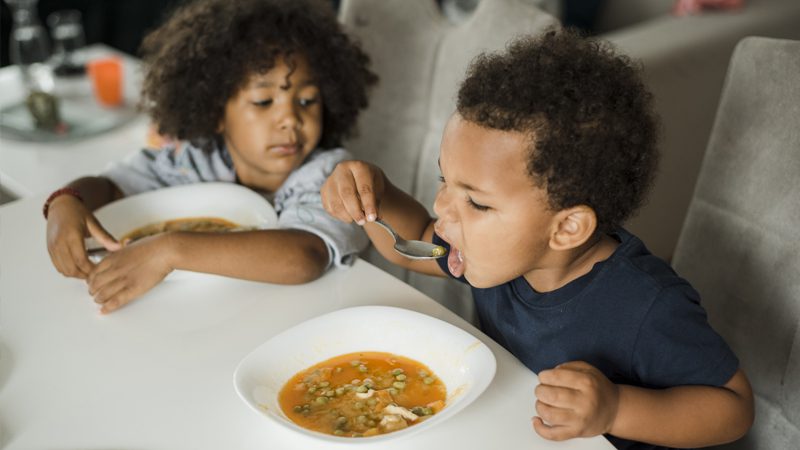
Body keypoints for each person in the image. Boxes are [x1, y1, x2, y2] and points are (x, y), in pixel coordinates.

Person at [321, 28, 753, 449]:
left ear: (566, 228)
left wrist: (617, 408)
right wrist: (373, 193)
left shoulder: (646, 305)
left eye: (477, 202)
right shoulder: (497, 254)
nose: (441, 209)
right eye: (444, 179)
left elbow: (732, 408)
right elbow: (413, 238)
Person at [44, 0, 377, 314]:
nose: (290, 119)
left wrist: (169, 250)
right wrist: (66, 202)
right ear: (216, 111)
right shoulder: (196, 160)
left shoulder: (331, 176)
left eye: (306, 101)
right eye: (263, 102)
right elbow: (109, 187)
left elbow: (305, 256)